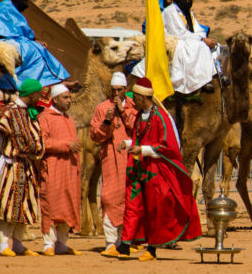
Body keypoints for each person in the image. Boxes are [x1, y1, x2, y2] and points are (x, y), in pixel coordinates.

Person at [115, 78, 201, 261]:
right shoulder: (140, 116)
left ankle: (152, 249)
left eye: (135, 98)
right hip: (140, 168)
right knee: (133, 204)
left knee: (156, 208)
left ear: (142, 97)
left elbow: (167, 147)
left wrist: (143, 150)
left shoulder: (160, 117)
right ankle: (125, 245)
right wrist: (128, 143)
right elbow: (141, 141)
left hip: (157, 170)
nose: (133, 101)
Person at [0, 78, 45, 257]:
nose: (40, 97)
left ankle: (18, 244)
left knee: (24, 205)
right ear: (32, 94)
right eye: (38, 94)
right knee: (7, 205)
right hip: (10, 165)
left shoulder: (29, 113)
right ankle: (4, 245)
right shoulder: (9, 113)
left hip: (25, 165)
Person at [91, 72, 136, 257]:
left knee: (129, 198)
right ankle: (111, 242)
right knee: (109, 197)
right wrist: (106, 122)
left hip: (130, 157)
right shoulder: (102, 108)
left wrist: (123, 110)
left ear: (126, 90)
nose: (116, 93)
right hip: (110, 157)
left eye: (119, 90)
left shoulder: (134, 107)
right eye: (113, 90)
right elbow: (95, 135)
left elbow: (136, 128)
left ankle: (125, 240)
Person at [37, 84, 82, 256]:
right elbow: (42, 142)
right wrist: (65, 145)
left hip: (69, 170)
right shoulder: (45, 118)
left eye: (70, 97)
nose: (69, 101)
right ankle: (48, 243)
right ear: (55, 99)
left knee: (67, 204)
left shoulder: (69, 119)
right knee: (51, 204)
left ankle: (62, 243)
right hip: (53, 168)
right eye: (66, 98)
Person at [158, 0, 219, 94]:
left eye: (190, 0)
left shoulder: (187, 13)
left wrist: (205, 39)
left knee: (216, 47)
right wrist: (202, 40)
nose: (188, 2)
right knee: (200, 47)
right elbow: (179, 33)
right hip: (176, 40)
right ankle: (198, 81)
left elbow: (198, 29)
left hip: (189, 39)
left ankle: (212, 75)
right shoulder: (170, 12)